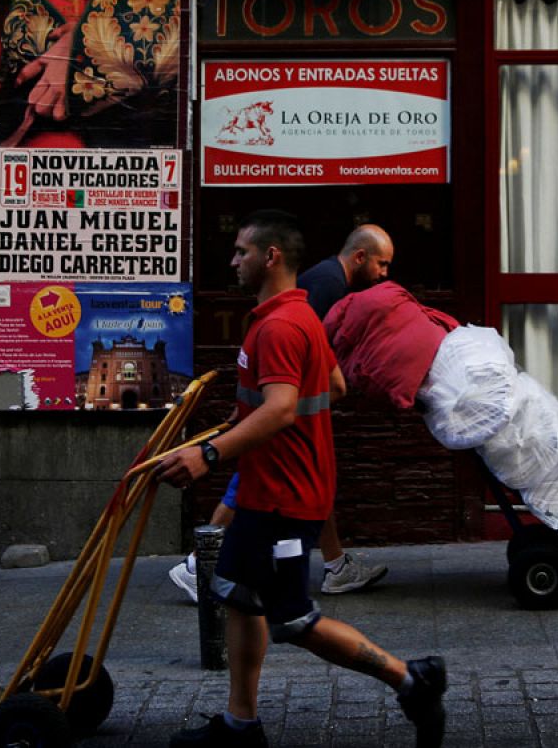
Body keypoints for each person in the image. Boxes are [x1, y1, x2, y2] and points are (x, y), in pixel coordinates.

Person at [158, 211, 444, 748]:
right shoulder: (297, 315)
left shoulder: (280, 326)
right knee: (239, 596)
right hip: (268, 491)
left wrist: (210, 453)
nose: (233, 261)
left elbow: (283, 408)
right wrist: (263, 416)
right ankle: (241, 725)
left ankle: (412, 680)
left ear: (270, 257)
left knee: (292, 619)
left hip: (283, 501)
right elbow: (332, 385)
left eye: (242, 251)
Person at [169, 224, 395, 601]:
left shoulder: (324, 283)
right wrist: (293, 409)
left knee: (306, 485)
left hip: (283, 412)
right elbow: (309, 363)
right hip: (282, 415)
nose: (384, 273)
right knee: (252, 487)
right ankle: (197, 566)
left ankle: (334, 565)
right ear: (360, 257)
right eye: (381, 264)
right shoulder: (325, 288)